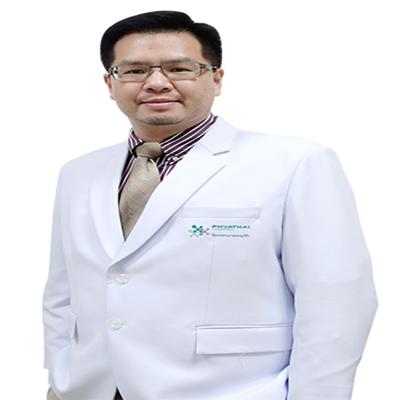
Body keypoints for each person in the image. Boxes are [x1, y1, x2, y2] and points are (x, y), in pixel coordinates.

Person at [42, 10, 378, 400]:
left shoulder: (296, 164)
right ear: (110, 83)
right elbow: (62, 292)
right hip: (91, 389)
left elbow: (336, 301)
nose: (156, 83)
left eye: (179, 68)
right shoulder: (79, 173)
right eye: (134, 71)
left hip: (230, 390)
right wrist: (62, 375)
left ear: (215, 79)